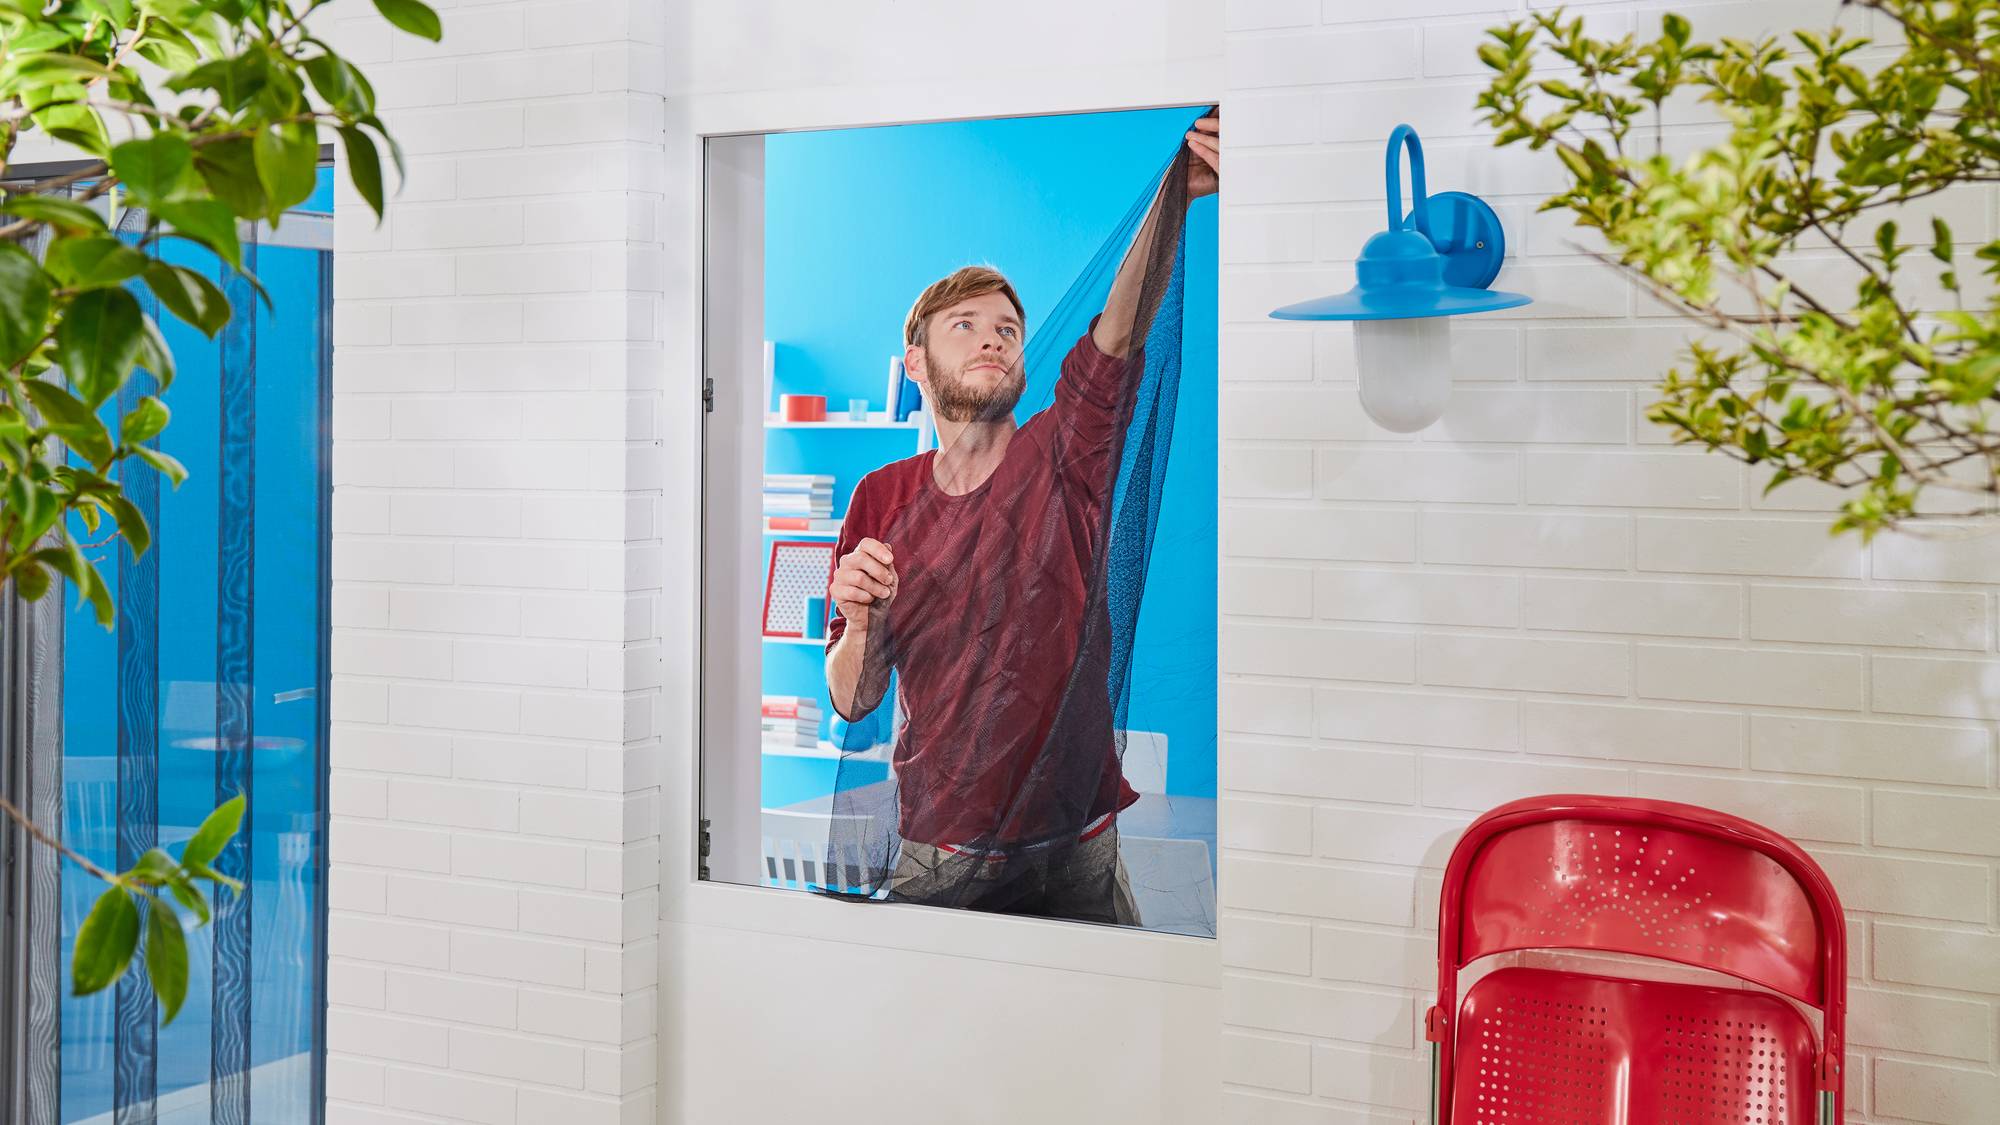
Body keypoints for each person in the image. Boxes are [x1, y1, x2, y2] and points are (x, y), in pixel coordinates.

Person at [823, 114, 1220, 924]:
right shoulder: (880, 497)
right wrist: (861, 620)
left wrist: (1173, 199)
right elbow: (852, 698)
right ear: (916, 364)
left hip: (1080, 848)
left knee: (1110, 1043)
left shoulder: (1065, 453)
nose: (993, 340)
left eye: (1007, 328)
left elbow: (1118, 331)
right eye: (963, 326)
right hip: (943, 851)